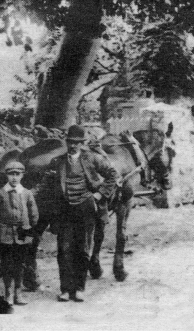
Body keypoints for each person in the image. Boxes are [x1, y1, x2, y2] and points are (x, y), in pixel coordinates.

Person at [49, 125, 118, 302]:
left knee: (83, 250)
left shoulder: (92, 159)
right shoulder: (57, 162)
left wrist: (100, 194)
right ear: (67, 142)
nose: (73, 146)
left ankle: (79, 288)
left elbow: (112, 175)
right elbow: (46, 186)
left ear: (82, 143)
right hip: (64, 210)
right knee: (64, 250)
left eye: (77, 143)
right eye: (71, 142)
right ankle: (65, 289)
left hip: (85, 209)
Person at [0, 160, 39, 308]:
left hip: (22, 234)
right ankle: (8, 293)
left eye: (17, 174)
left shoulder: (27, 193)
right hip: (5, 234)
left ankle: (18, 292)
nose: (14, 178)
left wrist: (28, 229)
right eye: (11, 174)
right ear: (6, 176)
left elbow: (34, 215)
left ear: (22, 176)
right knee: (7, 265)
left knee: (19, 264)